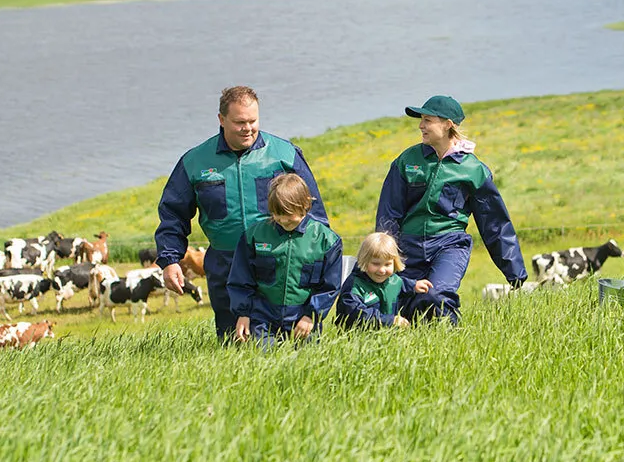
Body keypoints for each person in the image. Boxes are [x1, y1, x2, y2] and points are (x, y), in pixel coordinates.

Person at [155, 85, 328, 337]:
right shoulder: (195, 161)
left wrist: (318, 256)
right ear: (221, 120)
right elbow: (173, 214)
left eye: (253, 121)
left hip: (282, 260)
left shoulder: (284, 154)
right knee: (232, 340)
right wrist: (169, 260)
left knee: (291, 339)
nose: (248, 128)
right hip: (226, 263)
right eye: (239, 122)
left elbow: (313, 210)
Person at [375, 95, 527, 324]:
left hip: (449, 245)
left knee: (438, 296)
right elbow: (389, 212)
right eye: (421, 120)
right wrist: (385, 252)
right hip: (408, 246)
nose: (421, 126)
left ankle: (453, 341)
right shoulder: (407, 160)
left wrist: (514, 272)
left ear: (448, 124)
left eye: (428, 120)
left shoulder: (473, 169)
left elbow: (494, 223)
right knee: (402, 303)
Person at [227, 173, 342, 345]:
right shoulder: (254, 236)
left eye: (288, 214)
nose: (282, 220)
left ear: (304, 205)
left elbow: (329, 287)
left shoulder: (327, 241)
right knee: (262, 361)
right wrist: (243, 313)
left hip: (303, 318)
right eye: (276, 214)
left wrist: (311, 316)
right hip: (262, 316)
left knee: (307, 365)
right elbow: (240, 279)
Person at [336, 232, 432, 329]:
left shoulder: (392, 280)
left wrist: (414, 285)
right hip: (359, 337)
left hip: (387, 336)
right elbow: (356, 313)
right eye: (376, 264)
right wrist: (389, 320)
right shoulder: (355, 286)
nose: (382, 270)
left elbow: (400, 284)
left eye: (387, 264)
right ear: (364, 260)